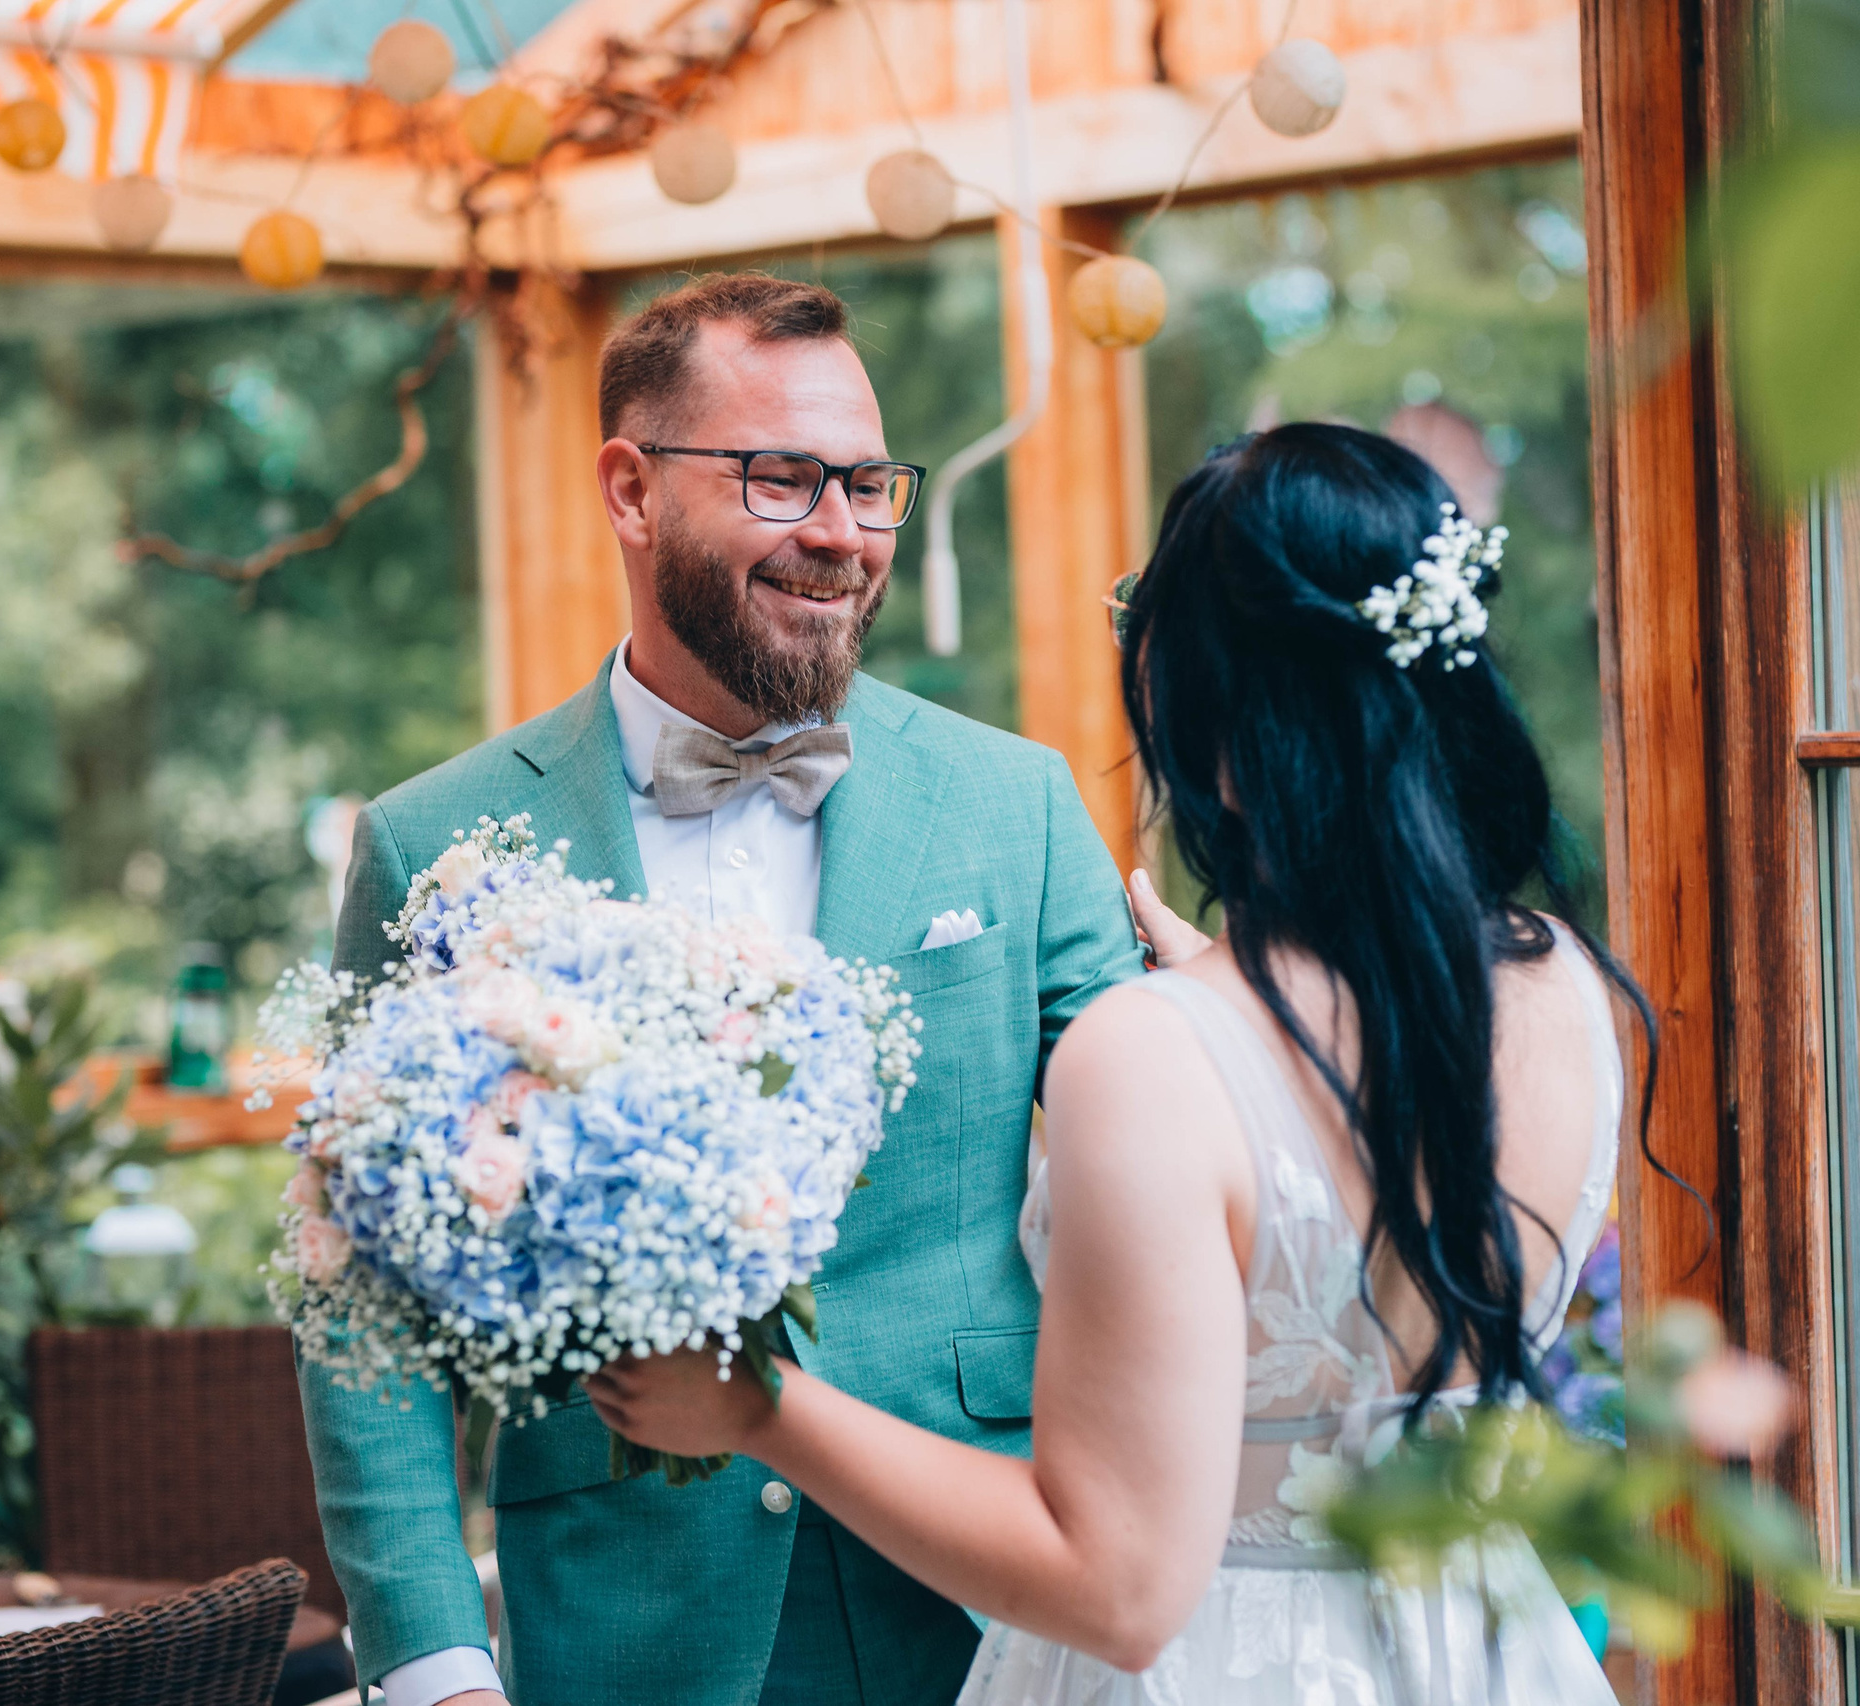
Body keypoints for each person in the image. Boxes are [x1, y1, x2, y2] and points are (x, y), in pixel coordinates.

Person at [588, 423, 1642, 1704]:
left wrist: (757, 1412)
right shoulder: (1562, 986)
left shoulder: (1151, 1053)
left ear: (1198, 707)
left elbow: (1123, 1589)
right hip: (1480, 1647)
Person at [297, 272, 1150, 1706]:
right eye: (781, 478)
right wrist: (437, 1668)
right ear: (631, 489)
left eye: (869, 484)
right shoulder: (430, 846)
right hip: (623, 1637)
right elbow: (357, 1295)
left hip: (981, 1624)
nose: (842, 533)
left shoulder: (1024, 806)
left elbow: (1163, 1194)